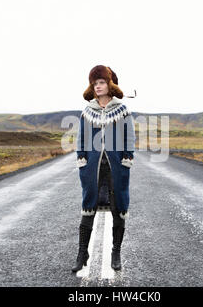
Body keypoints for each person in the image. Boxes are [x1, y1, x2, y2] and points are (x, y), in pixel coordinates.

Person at [72, 65, 135, 272]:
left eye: (101, 82)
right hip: (92, 167)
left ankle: (115, 252)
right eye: (94, 83)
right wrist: (81, 158)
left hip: (117, 166)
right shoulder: (87, 111)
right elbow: (81, 137)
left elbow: (129, 136)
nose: (97, 86)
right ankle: (82, 253)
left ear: (110, 84)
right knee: (88, 206)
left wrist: (127, 157)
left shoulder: (122, 110)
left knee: (119, 207)